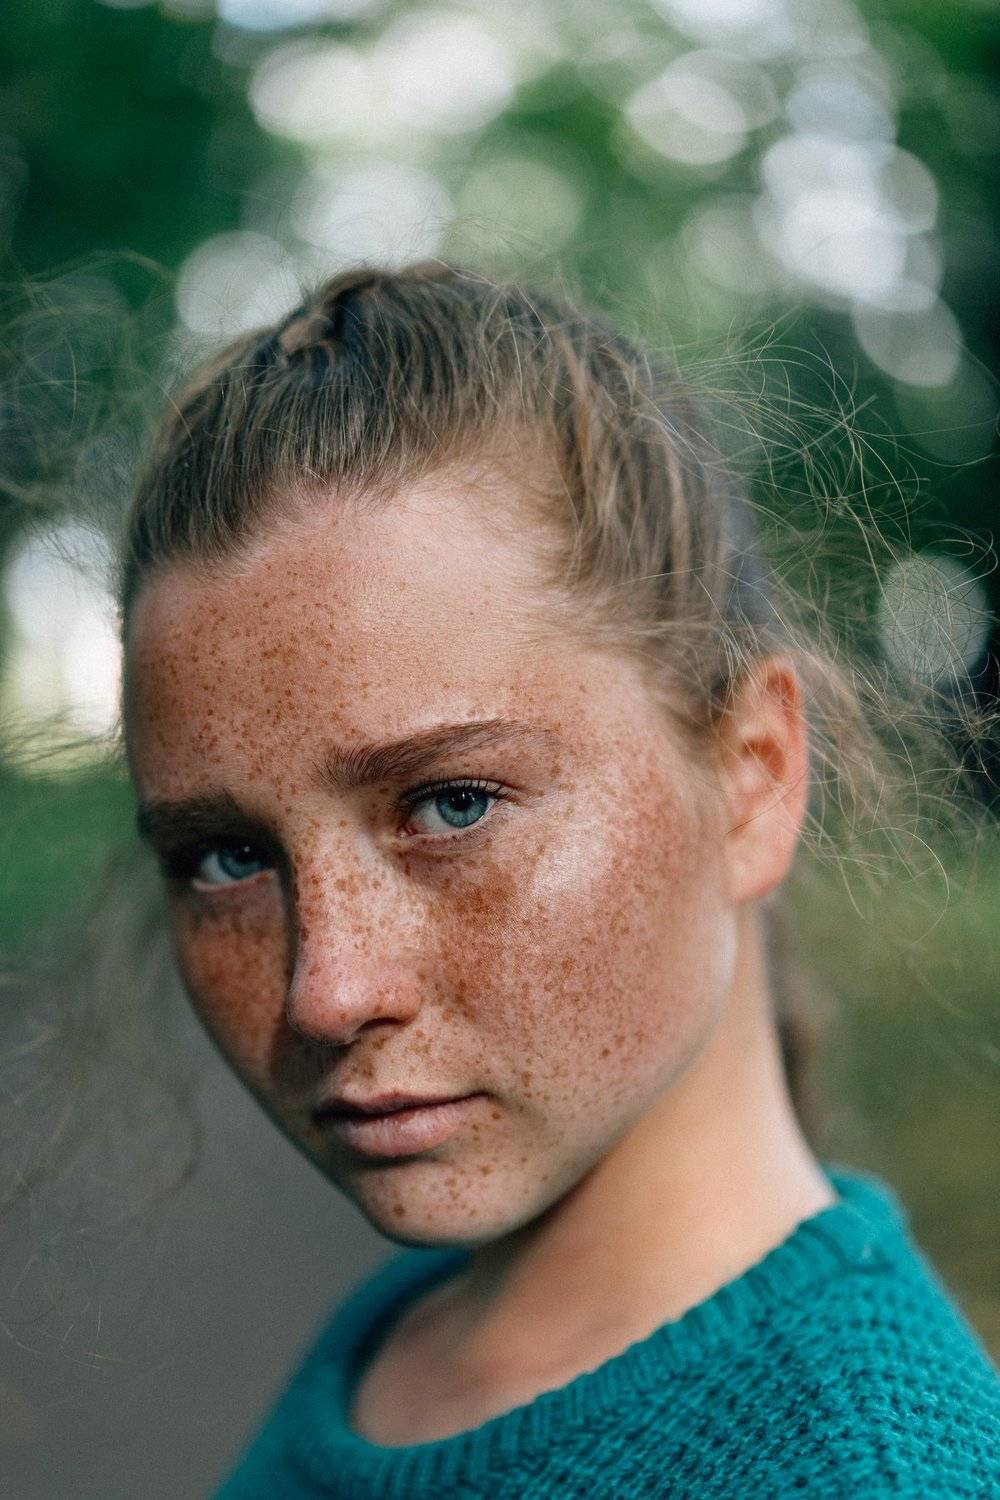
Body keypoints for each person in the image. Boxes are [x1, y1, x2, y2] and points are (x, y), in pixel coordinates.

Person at [118, 262, 1000, 1497]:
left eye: (451, 804)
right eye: (228, 857)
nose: (327, 991)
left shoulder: (870, 1467)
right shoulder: (395, 1345)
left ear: (751, 775)